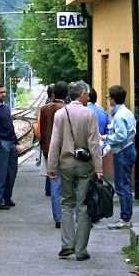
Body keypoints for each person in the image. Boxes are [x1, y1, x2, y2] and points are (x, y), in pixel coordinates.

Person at [47, 81, 103, 261]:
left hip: (65, 165)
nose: (88, 96)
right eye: (87, 94)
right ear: (81, 95)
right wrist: (99, 168)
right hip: (85, 166)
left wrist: (51, 167)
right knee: (83, 205)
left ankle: (67, 245)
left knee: (66, 203)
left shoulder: (60, 114)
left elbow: (55, 142)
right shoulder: (90, 114)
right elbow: (94, 144)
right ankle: (80, 250)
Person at [103, 85, 137, 229]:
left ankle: (125, 219)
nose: (108, 100)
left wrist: (107, 139)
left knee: (122, 186)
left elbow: (121, 135)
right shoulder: (126, 112)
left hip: (123, 151)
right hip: (128, 149)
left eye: (109, 97)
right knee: (125, 184)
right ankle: (126, 217)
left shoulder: (119, 116)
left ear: (113, 99)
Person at [39, 81, 67, 228]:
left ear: (54, 93)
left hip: (48, 151)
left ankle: (58, 218)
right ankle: (67, 215)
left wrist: (44, 149)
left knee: (54, 186)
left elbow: (42, 132)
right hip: (65, 152)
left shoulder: (44, 109)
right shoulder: (66, 110)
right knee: (67, 187)